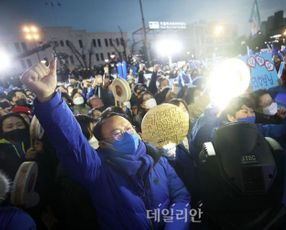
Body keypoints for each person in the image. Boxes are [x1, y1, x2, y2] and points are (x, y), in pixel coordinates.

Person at [21, 60, 191, 229]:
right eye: (117, 133)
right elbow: (72, 144)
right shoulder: (98, 171)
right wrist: (49, 99)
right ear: (103, 143)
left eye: (129, 129)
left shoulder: (158, 159)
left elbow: (181, 196)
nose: (127, 134)